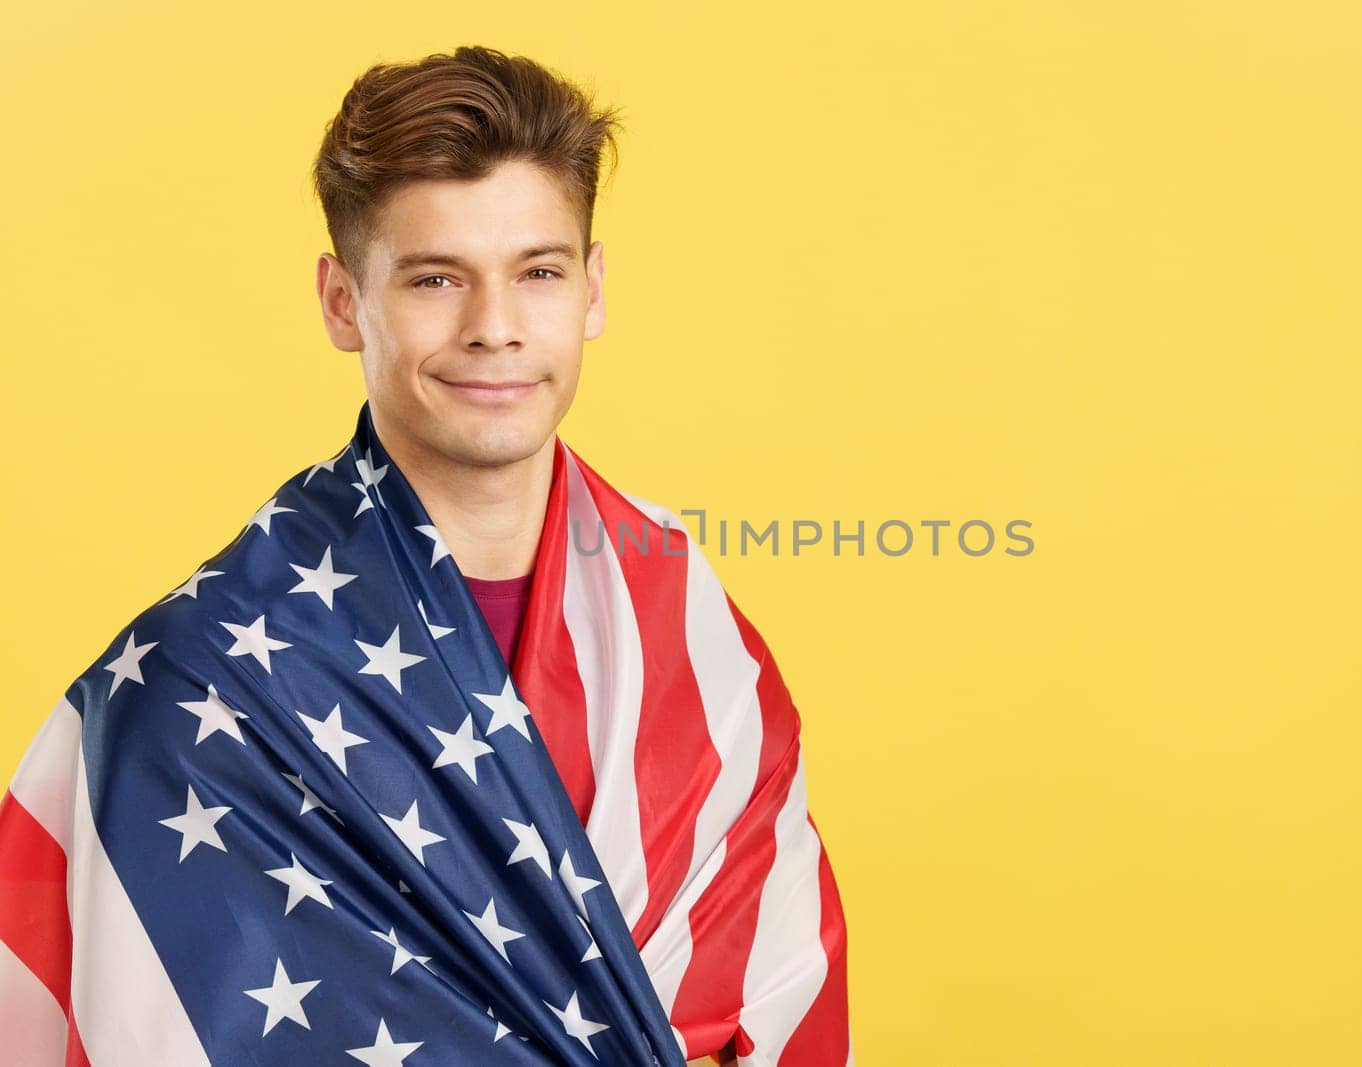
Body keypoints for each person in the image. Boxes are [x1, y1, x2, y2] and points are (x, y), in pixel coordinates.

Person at [0, 45, 850, 1066]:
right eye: (436, 278)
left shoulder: (687, 620)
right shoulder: (199, 681)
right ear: (341, 300)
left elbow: (777, 988)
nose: (494, 329)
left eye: (538, 272)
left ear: (592, 291)